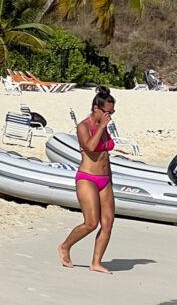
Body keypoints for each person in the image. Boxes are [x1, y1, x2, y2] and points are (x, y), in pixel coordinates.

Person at [58, 86, 117, 273]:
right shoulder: (83, 127)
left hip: (105, 180)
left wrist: (110, 178)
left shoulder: (104, 126)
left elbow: (105, 155)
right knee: (91, 222)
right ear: (95, 109)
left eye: (112, 112)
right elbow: (90, 147)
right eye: (107, 112)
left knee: (108, 223)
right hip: (87, 178)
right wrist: (101, 126)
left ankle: (96, 262)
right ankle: (65, 246)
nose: (110, 116)